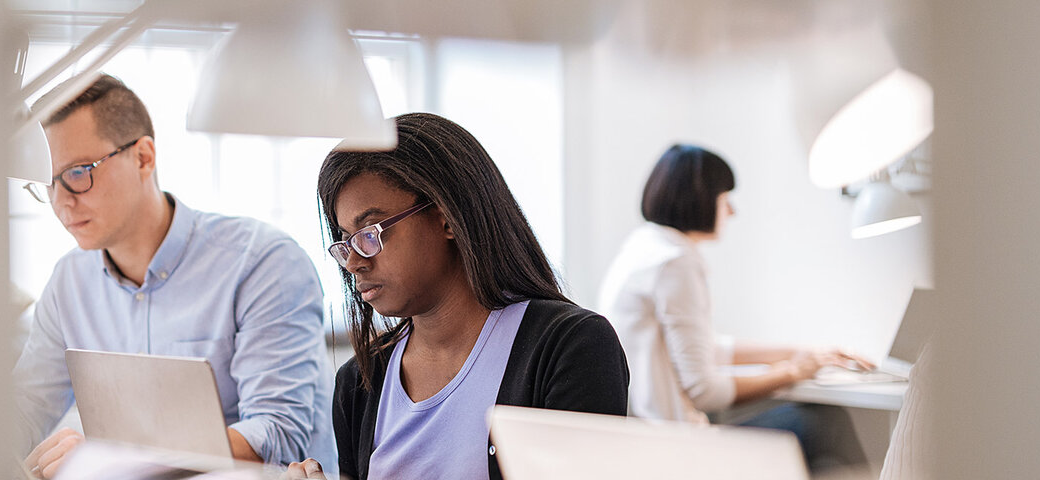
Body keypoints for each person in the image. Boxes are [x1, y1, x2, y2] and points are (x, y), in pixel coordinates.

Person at [0, 74, 338, 479]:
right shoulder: (70, 281)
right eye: (47, 182)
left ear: (143, 157)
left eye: (79, 174)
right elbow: (27, 409)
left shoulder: (262, 263)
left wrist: (118, 456)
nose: (62, 202)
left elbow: (278, 436)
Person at [284, 112, 629, 480]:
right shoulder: (359, 380)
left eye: (370, 232)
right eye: (347, 240)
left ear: (446, 217)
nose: (353, 261)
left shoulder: (571, 347)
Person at [597, 143, 871, 469]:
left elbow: (703, 349)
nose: (731, 212)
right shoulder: (676, 262)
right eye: (725, 199)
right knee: (825, 423)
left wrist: (801, 352)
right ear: (701, 199)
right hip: (677, 449)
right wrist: (793, 371)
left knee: (824, 455)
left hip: (648, 442)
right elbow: (704, 391)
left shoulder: (644, 248)